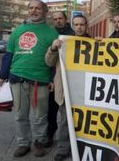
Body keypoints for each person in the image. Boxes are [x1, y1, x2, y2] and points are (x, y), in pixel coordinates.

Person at [0, 0, 58, 157]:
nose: (33, 10)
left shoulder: (52, 32)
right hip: (17, 78)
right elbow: (8, 54)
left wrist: (52, 79)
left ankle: (39, 142)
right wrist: (2, 75)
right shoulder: (17, 31)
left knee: (40, 116)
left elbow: (56, 60)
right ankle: (23, 143)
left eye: (37, 8)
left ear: (44, 11)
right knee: (19, 115)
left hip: (41, 81)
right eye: (31, 8)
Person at [45, 15, 90, 161]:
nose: (79, 27)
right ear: (73, 25)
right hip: (67, 91)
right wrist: (53, 48)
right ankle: (63, 150)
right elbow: (49, 62)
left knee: (85, 122)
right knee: (65, 121)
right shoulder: (63, 42)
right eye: (76, 24)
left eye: (82, 24)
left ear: (86, 25)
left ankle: (81, 148)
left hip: (85, 92)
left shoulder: (94, 43)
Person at [48, 11, 75, 147]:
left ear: (65, 19)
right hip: (54, 81)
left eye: (60, 18)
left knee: (66, 117)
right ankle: (49, 136)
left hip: (71, 83)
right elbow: (48, 61)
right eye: (55, 19)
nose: (58, 21)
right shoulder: (50, 35)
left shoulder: (73, 35)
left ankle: (66, 146)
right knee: (50, 113)